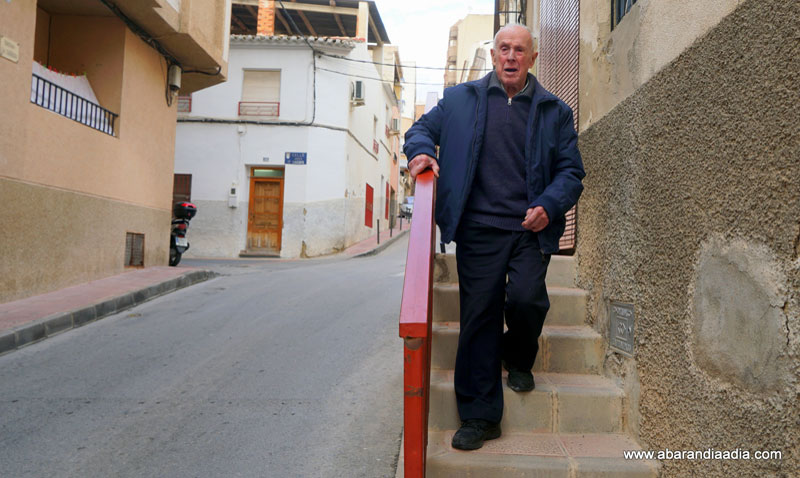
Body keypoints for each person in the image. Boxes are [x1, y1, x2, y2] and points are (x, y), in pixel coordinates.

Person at [403, 24, 585, 451]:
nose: (511, 56)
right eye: (504, 48)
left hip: (529, 227)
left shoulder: (554, 111)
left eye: (520, 50)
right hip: (479, 229)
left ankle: (518, 356)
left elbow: (571, 172)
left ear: (532, 58)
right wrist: (421, 152)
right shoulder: (459, 100)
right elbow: (419, 131)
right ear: (493, 55)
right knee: (479, 316)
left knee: (526, 300)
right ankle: (480, 417)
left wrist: (550, 205)